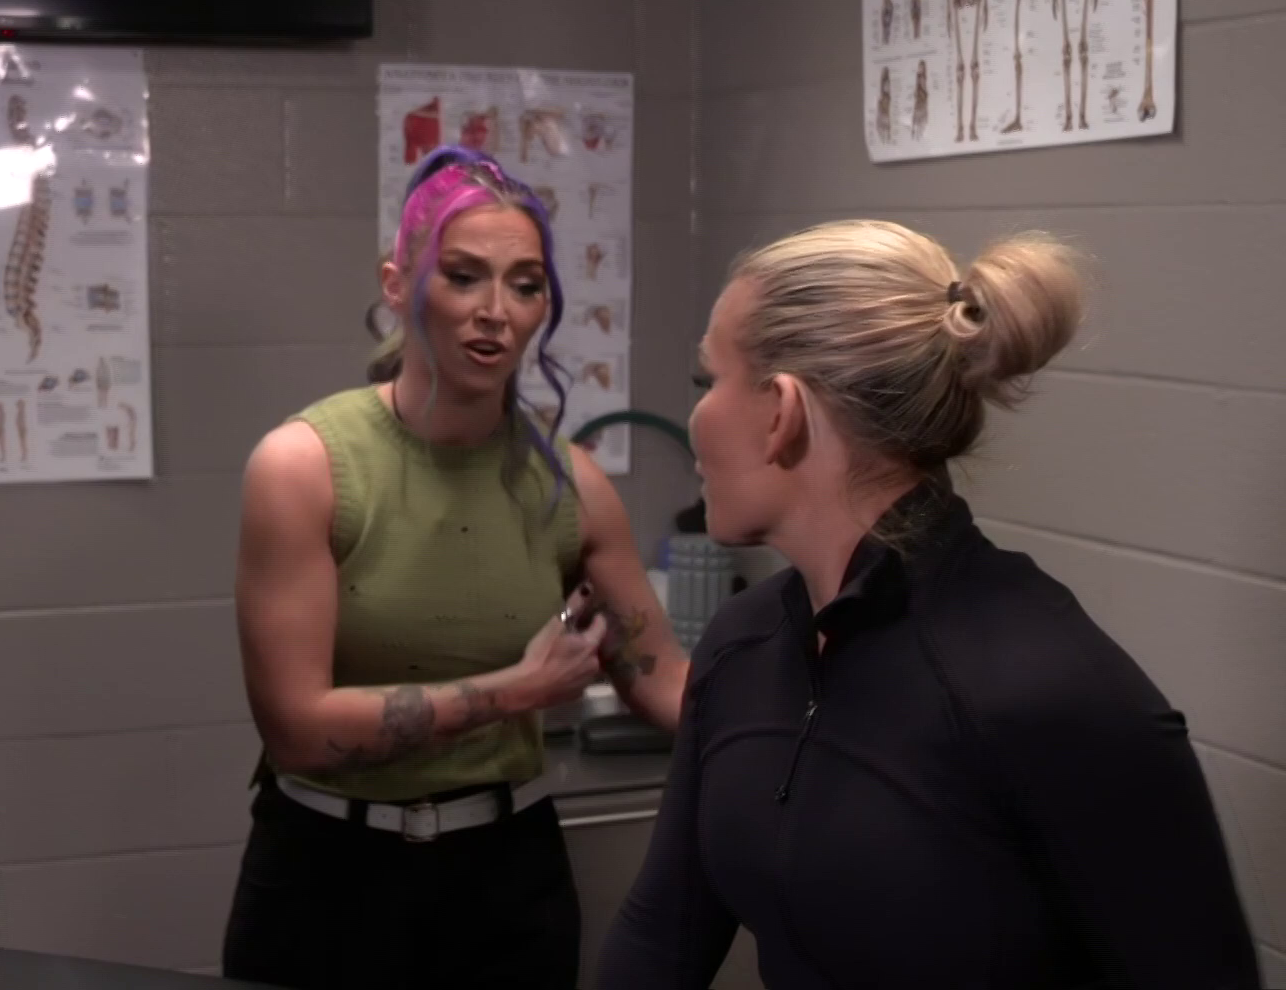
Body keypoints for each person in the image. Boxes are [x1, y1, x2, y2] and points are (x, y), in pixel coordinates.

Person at [597, 220, 1260, 989]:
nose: (697, 418)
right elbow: (661, 936)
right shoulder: (744, 644)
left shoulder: (1049, 688)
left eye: (706, 381)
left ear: (780, 410)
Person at [221, 145, 688, 989]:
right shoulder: (306, 467)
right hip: (331, 876)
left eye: (525, 285)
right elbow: (297, 726)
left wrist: (821, 703)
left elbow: (663, 684)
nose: (495, 313)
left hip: (505, 881)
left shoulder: (572, 485)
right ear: (398, 284)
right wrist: (516, 691)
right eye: (463, 277)